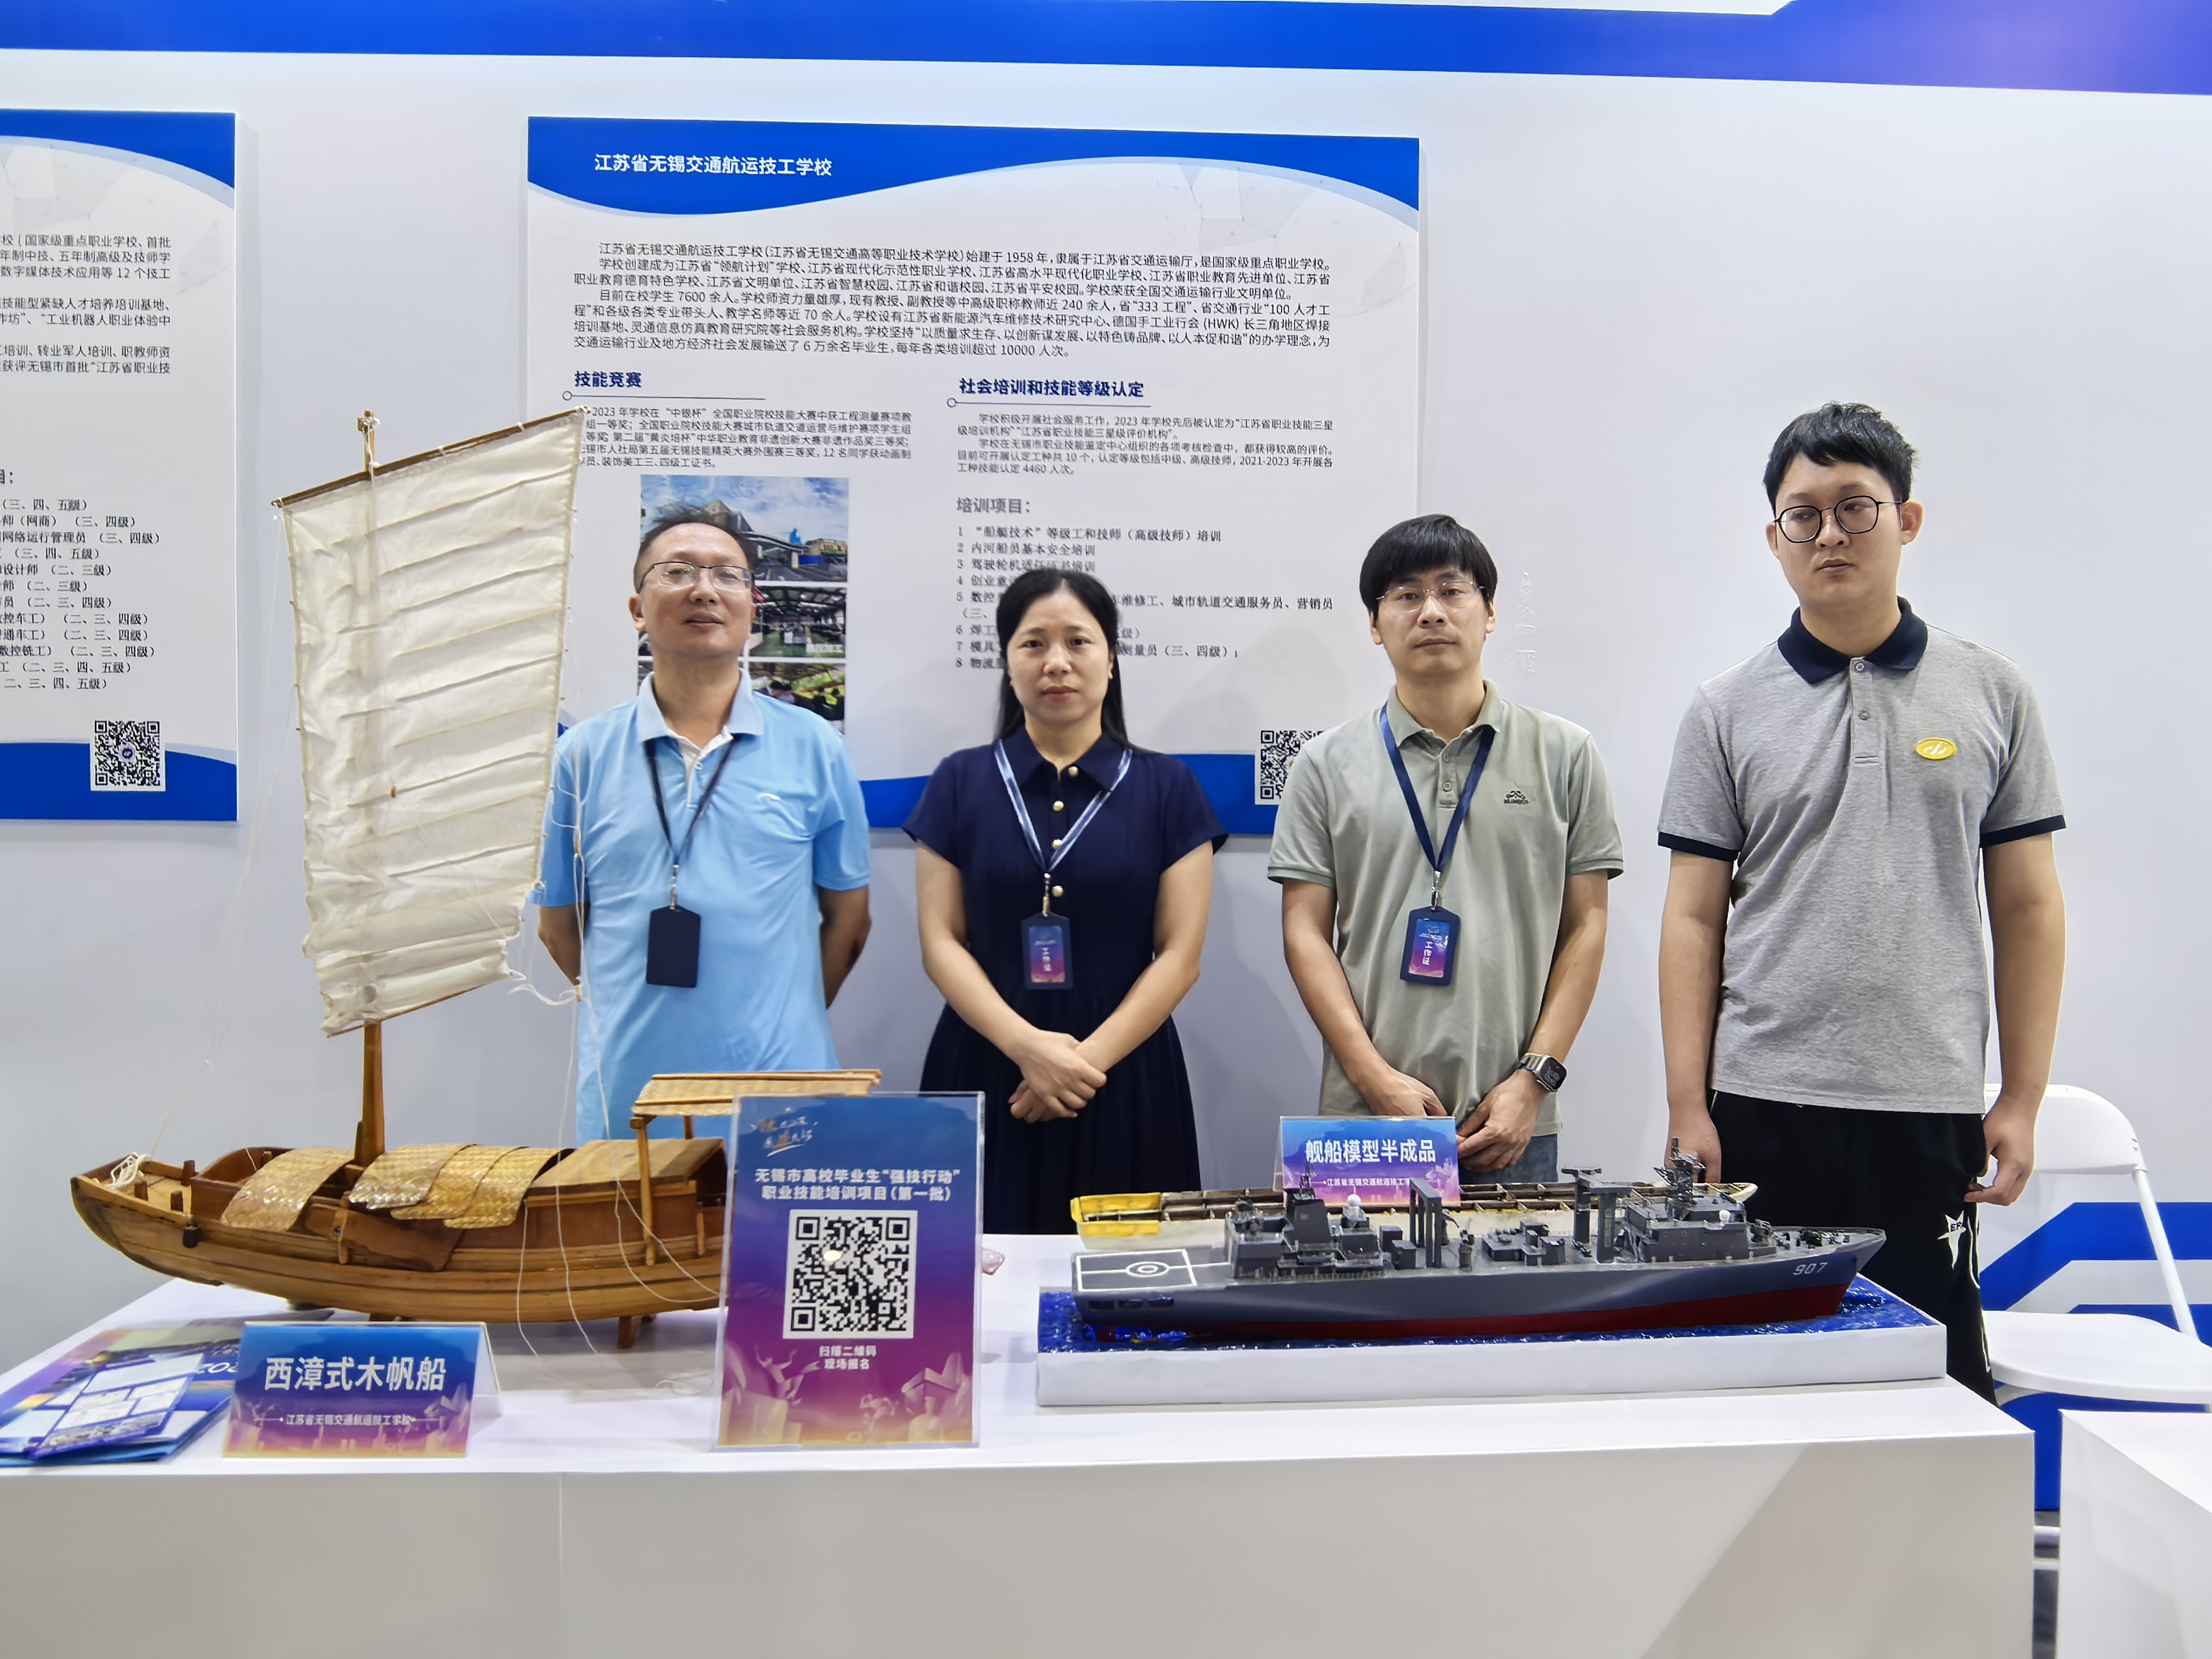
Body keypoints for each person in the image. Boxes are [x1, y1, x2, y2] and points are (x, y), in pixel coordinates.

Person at [1657, 402, 2067, 1400]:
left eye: (1856, 508)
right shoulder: (1724, 708)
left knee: (1933, 1390)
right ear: (1775, 539)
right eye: (1804, 516)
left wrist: (2020, 1097)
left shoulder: (1994, 693)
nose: (1830, 535)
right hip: (1763, 1104)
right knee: (1761, 1384)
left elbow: (2028, 910)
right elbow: (1693, 917)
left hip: (1926, 1103)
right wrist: (1687, 1105)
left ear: (1907, 520)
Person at [1270, 515, 1622, 1182]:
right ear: (1375, 625)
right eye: (1406, 595)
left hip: (1511, 1119)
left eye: (1452, 591)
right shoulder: (1321, 765)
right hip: (1366, 1118)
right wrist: (1373, 1079)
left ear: (1489, 613)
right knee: (1356, 1256)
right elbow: (1303, 933)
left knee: (1519, 1256)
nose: (1430, 611)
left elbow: (1587, 927)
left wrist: (1533, 1082)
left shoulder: (1565, 754)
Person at [535, 507, 873, 1142]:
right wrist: (628, 1001)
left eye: (727, 575)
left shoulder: (815, 747)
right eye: (677, 572)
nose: (704, 589)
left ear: (752, 605)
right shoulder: (581, 755)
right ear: (637, 609)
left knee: (777, 1213)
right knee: (625, 1211)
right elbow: (558, 928)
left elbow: (849, 924)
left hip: (779, 1089)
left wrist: (780, 1013)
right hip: (630, 1096)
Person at [906, 568, 1224, 1233]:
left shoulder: (1170, 787)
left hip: (1123, 1072)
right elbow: (940, 942)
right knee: (972, 1270)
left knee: (1130, 1273)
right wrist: (1028, 1048)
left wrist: (1080, 1066)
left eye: (1078, 641)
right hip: (988, 1060)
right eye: (1033, 643)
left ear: (1110, 660)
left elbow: (1180, 955)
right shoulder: (958, 781)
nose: (1056, 662)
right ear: (1007, 662)